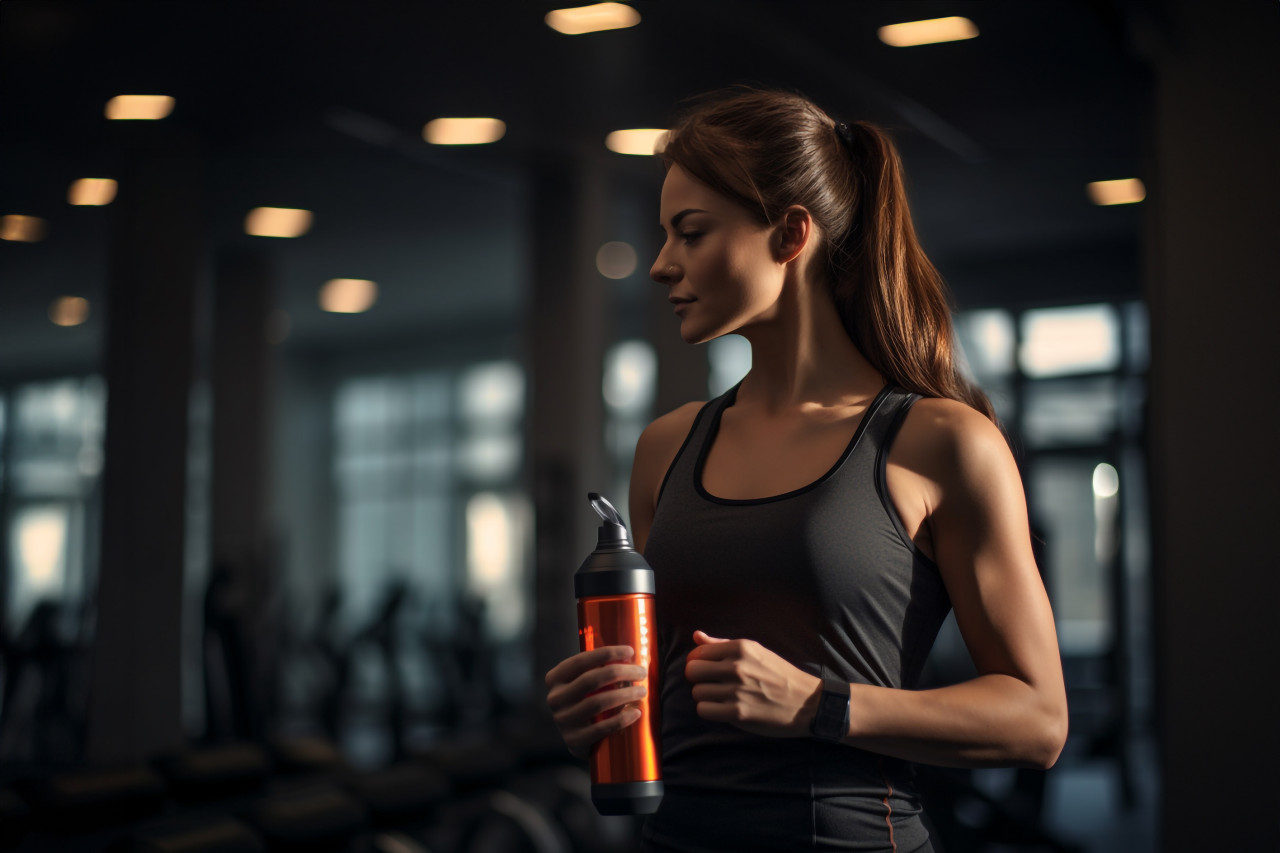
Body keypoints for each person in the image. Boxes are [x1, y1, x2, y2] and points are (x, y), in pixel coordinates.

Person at [544, 88, 1068, 853]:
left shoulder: (940, 441)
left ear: (790, 234)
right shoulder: (668, 445)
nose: (660, 265)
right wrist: (596, 711)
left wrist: (819, 703)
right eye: (664, 235)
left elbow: (1039, 720)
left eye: (691, 233)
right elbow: (665, 707)